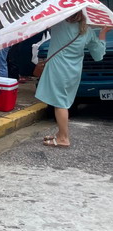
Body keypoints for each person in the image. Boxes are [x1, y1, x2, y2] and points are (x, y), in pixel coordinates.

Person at [37, 12, 109, 148]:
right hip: (73, 71)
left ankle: (64, 138)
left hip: (57, 68)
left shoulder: (58, 24)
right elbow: (98, 55)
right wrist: (103, 32)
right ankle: (60, 133)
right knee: (63, 101)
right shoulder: (87, 31)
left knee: (60, 103)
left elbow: (42, 21)